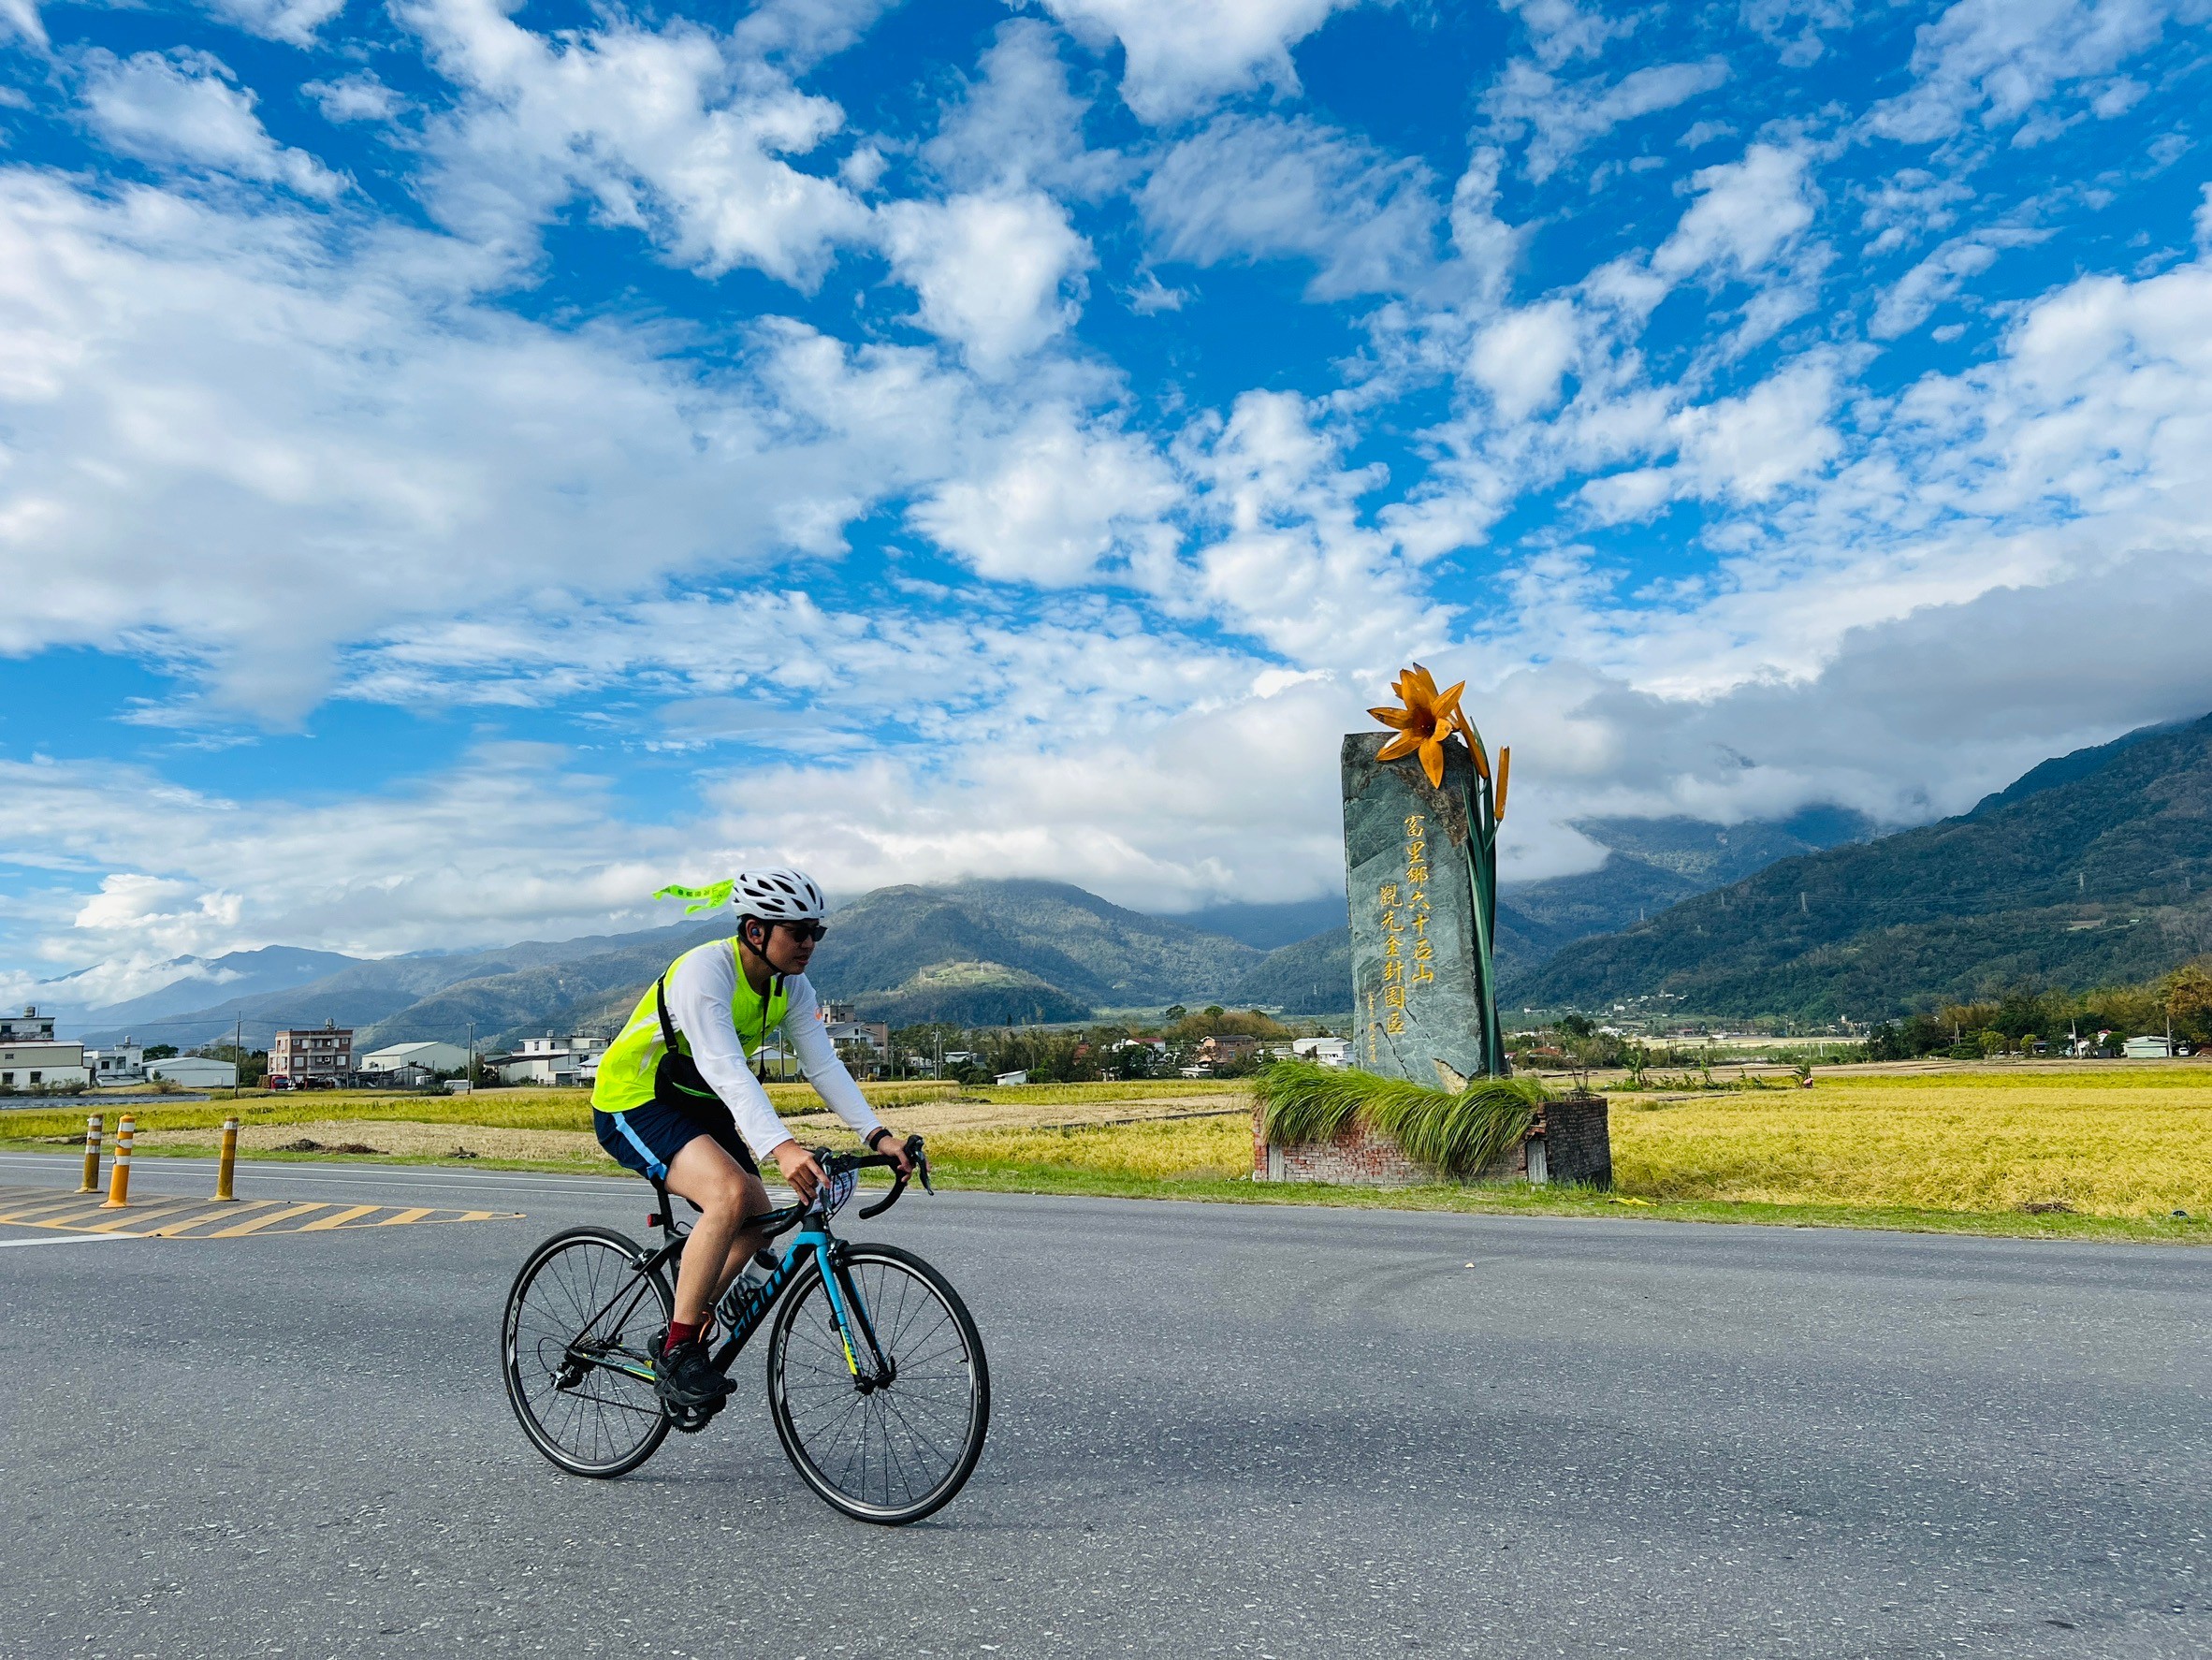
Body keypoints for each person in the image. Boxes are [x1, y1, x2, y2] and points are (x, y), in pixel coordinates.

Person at [590, 867, 911, 1410]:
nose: (810, 943)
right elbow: (726, 1068)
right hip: (634, 1098)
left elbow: (824, 1066)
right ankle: (678, 1348)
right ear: (756, 931)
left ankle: (692, 1314)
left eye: (817, 932)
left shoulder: (791, 987)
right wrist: (782, 1148)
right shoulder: (704, 973)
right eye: (798, 931)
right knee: (730, 1196)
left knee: (759, 1215)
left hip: (698, 1102)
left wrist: (877, 1134)